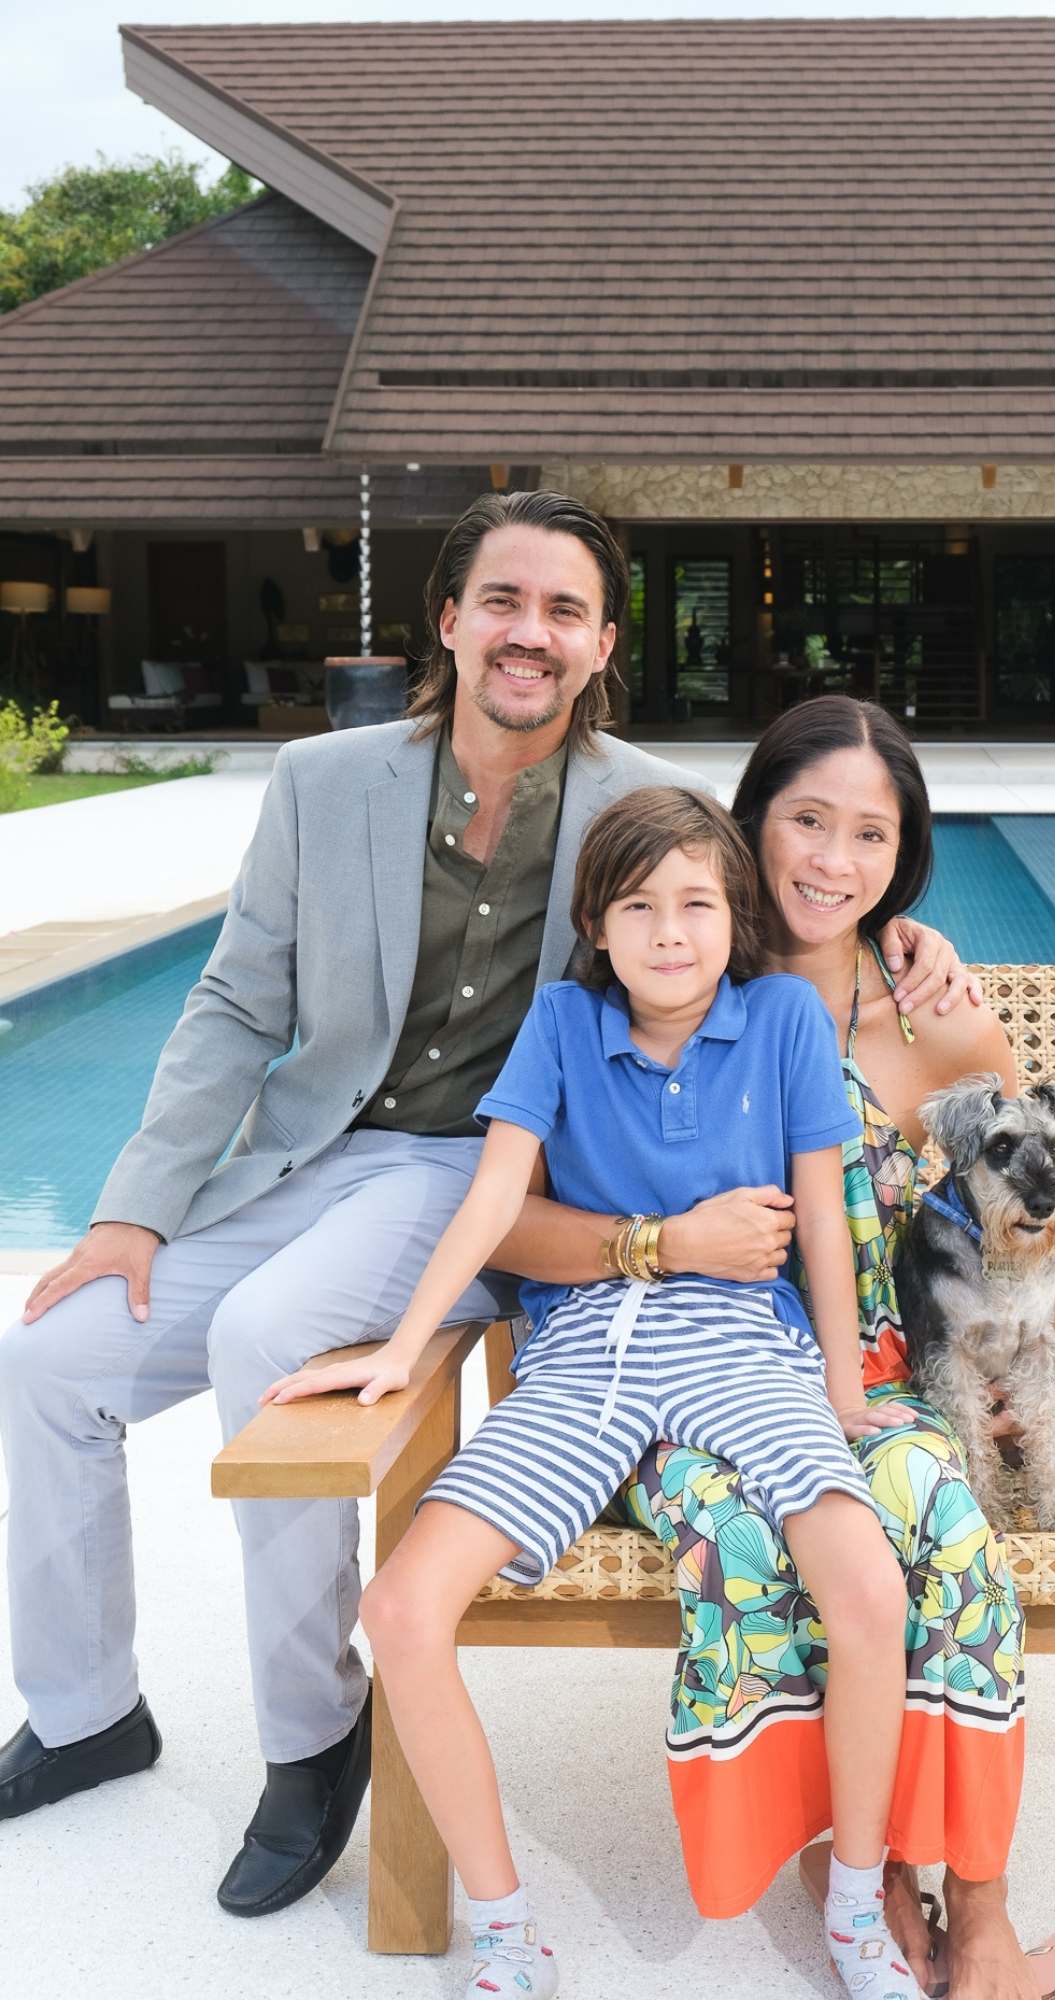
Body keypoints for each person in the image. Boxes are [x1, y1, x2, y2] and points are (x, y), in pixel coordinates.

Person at [0, 492, 968, 1914]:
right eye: (503, 600)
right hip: (306, 1155)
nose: (531, 632)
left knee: (264, 1335)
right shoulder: (322, 783)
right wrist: (135, 1211)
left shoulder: (643, 795)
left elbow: (770, 897)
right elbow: (235, 1003)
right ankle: (88, 1711)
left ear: (603, 644)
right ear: (448, 620)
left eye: (565, 610)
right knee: (44, 1358)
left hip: (476, 1172)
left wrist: (908, 934)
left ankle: (310, 1737)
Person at [264, 784, 935, 2000]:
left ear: (734, 914)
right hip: (588, 1350)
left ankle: (853, 1909)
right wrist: (404, 1344)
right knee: (402, 1608)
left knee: (869, 1589)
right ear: (597, 921)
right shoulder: (563, 1022)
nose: (669, 931)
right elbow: (494, 1196)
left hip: (742, 1340)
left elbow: (822, 1216)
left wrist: (842, 1388)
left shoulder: (783, 1016)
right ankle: (507, 1931)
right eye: (638, 906)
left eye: (695, 903)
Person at [490, 697, 1055, 2000]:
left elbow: (1013, 1226)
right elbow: (509, 1222)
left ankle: (980, 1899)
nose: (832, 860)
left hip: (879, 1383)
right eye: (806, 820)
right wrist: (662, 1243)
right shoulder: (673, 978)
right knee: (752, 1539)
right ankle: (849, 1862)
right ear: (747, 820)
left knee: (947, 1526)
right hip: (688, 1375)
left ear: (905, 857)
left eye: (871, 834)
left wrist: (1052, 1352)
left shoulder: (944, 1024)